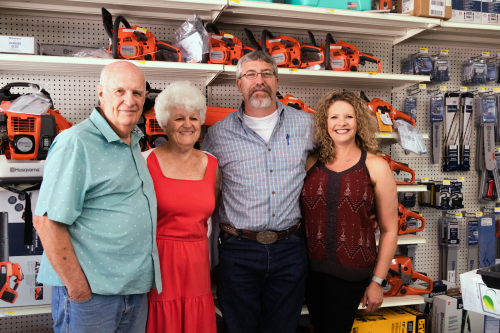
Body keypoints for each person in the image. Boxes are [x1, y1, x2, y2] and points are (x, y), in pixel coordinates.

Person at [33, 61, 162, 333]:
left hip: (132, 290)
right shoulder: (76, 142)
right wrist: (79, 290)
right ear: (101, 93)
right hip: (91, 295)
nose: (130, 100)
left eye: (138, 93)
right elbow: (47, 223)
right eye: (120, 91)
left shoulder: (133, 142)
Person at [202, 50, 315, 333]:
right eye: (251, 74)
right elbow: (205, 189)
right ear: (239, 84)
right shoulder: (218, 134)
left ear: (277, 82)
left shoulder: (307, 125)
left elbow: (340, 162)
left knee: (284, 328)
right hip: (238, 251)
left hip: (291, 248)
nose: (259, 80)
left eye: (266, 74)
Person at [301, 90, 399, 333]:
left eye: (349, 117)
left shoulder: (375, 166)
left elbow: (389, 230)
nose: (341, 123)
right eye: (334, 117)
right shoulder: (310, 163)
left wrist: (377, 282)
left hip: (351, 274)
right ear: (325, 123)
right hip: (309, 272)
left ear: (359, 122)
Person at [144, 81, 219, 333]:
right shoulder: (145, 162)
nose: (188, 124)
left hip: (198, 263)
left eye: (193, 118)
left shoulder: (213, 165)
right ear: (164, 123)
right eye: (179, 118)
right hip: (160, 263)